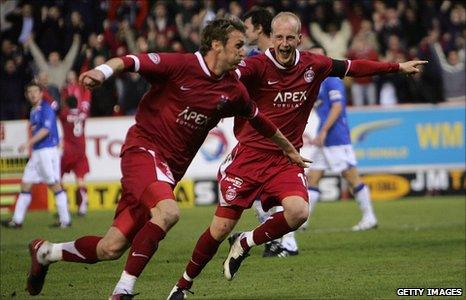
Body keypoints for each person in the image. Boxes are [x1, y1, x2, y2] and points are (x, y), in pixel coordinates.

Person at [25, 18, 308, 299]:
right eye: (238, 46)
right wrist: (101, 72)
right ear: (217, 46)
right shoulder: (180, 65)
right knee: (169, 212)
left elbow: (260, 121)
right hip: (143, 152)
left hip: (168, 172)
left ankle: (47, 252)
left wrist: (289, 150)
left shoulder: (232, 89)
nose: (243, 52)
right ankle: (122, 291)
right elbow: (129, 60)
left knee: (110, 248)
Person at [168, 12, 427, 299]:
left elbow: (354, 67)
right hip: (249, 159)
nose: (284, 43)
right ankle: (183, 285)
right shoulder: (255, 67)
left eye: (290, 37)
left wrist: (397, 67)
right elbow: (225, 75)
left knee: (298, 212)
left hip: (285, 160)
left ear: (300, 39)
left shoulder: (314, 65)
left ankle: (245, 241)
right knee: (219, 229)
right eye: (279, 37)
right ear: (272, 37)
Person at [243, 7, 299, 257]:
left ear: (258, 28)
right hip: (256, 135)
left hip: (272, 138)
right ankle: (279, 240)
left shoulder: (264, 60)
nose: (244, 33)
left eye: (246, 28)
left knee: (276, 193)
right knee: (264, 193)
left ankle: (284, 242)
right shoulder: (253, 58)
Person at [304, 46, 378, 231]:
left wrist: (323, 132)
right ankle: (302, 223)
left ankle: (369, 218)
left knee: (352, 177)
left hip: (336, 137)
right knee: (313, 178)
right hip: (325, 137)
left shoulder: (332, 80)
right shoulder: (316, 82)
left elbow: (337, 108)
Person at [2, 82, 71, 229]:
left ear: (41, 93)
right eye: (30, 92)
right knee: (25, 184)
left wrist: (28, 143)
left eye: (35, 91)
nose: (33, 94)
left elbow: (46, 130)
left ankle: (65, 220)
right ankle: (17, 220)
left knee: (53, 185)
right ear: (27, 95)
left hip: (46, 152)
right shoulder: (34, 110)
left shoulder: (46, 109)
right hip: (38, 153)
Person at [59, 95, 90, 216]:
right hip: (81, 150)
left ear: (66, 104)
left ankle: (64, 204)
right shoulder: (83, 114)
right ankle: (82, 207)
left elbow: (55, 108)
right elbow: (87, 102)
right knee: (80, 179)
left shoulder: (64, 114)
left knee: (58, 178)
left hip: (68, 150)